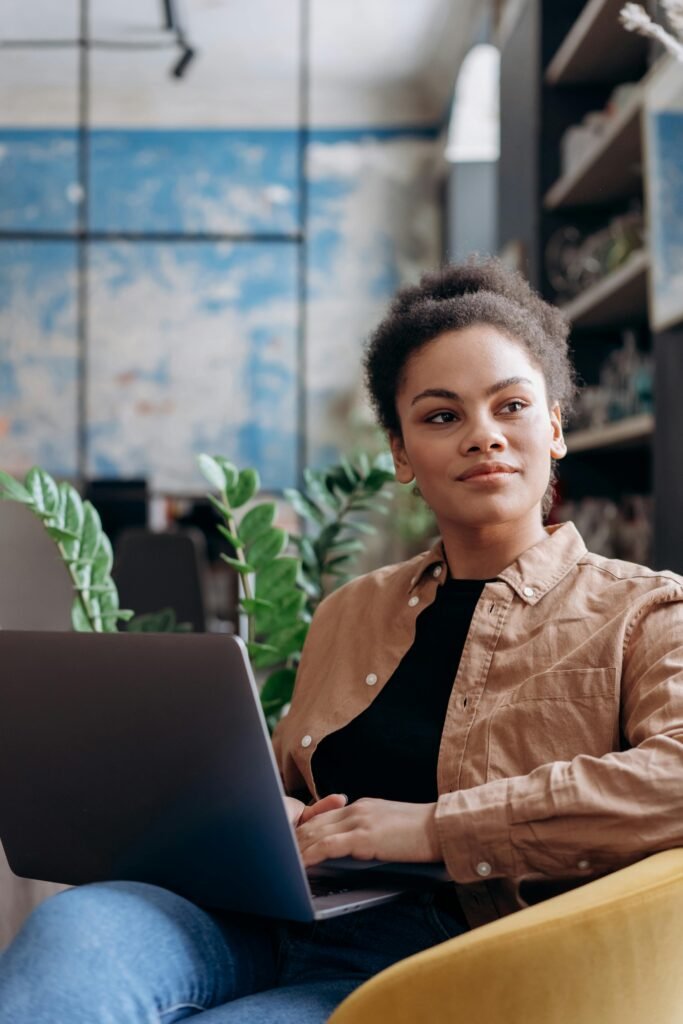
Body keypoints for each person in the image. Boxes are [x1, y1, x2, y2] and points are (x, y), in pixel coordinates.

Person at [1, 256, 682, 1022]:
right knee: (73, 932)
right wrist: (276, 815)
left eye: (511, 406)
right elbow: (296, 780)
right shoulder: (353, 610)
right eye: (440, 416)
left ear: (553, 428)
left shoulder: (644, 612)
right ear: (399, 454)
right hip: (272, 912)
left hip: (436, 955)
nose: (482, 437)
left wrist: (430, 827)